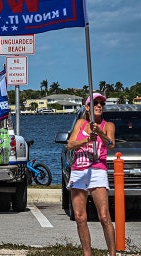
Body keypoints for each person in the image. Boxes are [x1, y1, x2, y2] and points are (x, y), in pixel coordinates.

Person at [66, 92, 116, 256]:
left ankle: (112, 253)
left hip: (97, 169)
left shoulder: (108, 125)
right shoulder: (81, 123)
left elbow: (110, 144)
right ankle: (87, 254)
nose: (99, 106)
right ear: (88, 107)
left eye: (102, 103)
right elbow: (70, 145)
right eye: (95, 103)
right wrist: (87, 139)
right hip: (79, 170)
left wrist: (99, 133)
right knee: (80, 217)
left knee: (104, 216)